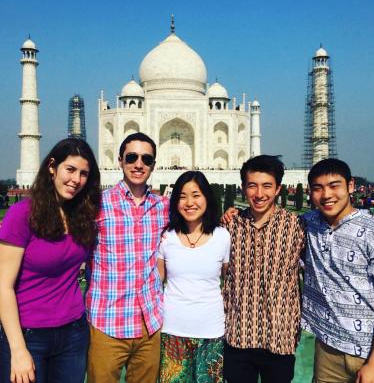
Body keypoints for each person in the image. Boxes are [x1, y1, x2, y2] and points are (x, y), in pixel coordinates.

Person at [0, 138, 101, 383]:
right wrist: (18, 349)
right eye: (71, 169)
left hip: (73, 332)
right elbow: (3, 286)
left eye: (84, 173)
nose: (76, 179)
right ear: (52, 167)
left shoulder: (82, 216)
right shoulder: (22, 214)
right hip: (29, 334)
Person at [302, 158, 374, 383]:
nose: (326, 194)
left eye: (334, 185)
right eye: (318, 188)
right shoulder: (310, 224)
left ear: (350, 186)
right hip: (329, 351)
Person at [86, 132, 169, 383]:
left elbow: (198, 220)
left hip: (149, 324)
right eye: (132, 157)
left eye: (146, 159)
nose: (138, 164)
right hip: (107, 324)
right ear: (120, 160)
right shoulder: (97, 205)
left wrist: (229, 215)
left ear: (154, 165)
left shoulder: (163, 207)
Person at [223, 155, 305, 383]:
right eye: (253, 186)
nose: (259, 194)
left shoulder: (296, 226)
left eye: (267, 186)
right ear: (243, 188)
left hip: (280, 336)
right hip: (238, 335)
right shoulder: (230, 225)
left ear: (278, 188)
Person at [157, 171, 230, 383]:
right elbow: (156, 281)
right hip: (172, 330)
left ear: (207, 197)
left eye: (196, 195)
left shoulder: (223, 237)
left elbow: (228, 281)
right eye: (182, 196)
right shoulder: (166, 237)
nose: (189, 202)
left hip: (211, 331)